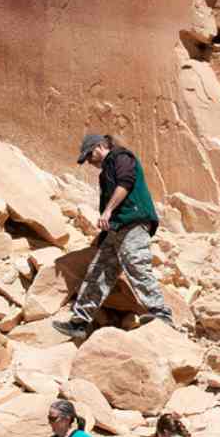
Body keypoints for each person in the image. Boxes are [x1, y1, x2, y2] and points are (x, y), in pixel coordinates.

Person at [53, 133, 174, 340]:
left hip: (134, 222)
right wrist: (103, 237)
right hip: (116, 230)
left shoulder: (122, 157)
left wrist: (108, 211)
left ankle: (161, 315)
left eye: (89, 156)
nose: (89, 162)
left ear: (100, 146)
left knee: (136, 264)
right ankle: (79, 322)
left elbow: (125, 183)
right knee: (97, 273)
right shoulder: (104, 173)